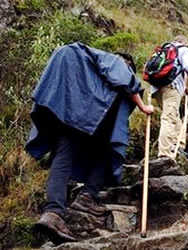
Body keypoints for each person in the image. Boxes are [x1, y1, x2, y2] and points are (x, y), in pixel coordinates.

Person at [25, 42, 153, 244]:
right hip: (92, 117)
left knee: (63, 158)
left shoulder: (88, 64)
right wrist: (143, 106)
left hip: (71, 116)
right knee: (105, 154)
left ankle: (53, 213)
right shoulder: (115, 61)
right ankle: (87, 196)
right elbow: (125, 79)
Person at [153, 35, 188, 158]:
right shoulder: (184, 50)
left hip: (156, 88)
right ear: (184, 43)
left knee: (173, 115)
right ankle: (165, 152)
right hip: (172, 86)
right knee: (168, 118)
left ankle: (179, 143)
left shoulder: (162, 50)